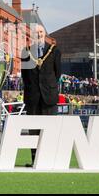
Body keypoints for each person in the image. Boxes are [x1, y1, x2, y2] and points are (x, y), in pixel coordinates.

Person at [21, 24, 61, 167]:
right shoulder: (26, 52)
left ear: (45, 34)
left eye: (41, 32)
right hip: (32, 98)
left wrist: (47, 87)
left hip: (48, 97)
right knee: (34, 131)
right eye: (36, 32)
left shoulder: (55, 51)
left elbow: (57, 74)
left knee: (49, 131)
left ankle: (50, 160)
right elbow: (24, 76)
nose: (38, 34)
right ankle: (34, 161)